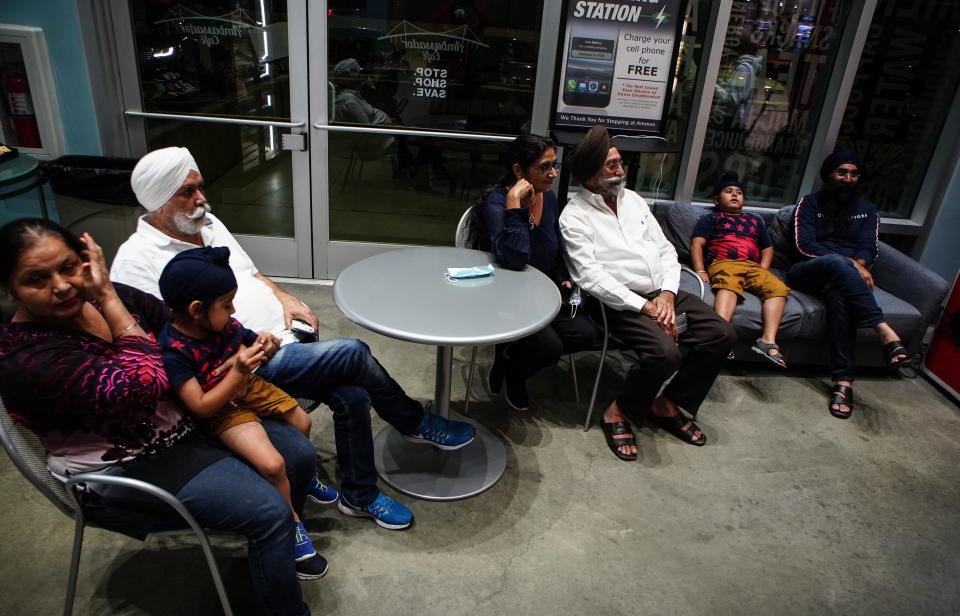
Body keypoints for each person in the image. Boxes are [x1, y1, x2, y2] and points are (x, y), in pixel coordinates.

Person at [111, 147, 475, 530]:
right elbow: (157, 349)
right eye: (187, 192)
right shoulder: (135, 261)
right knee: (353, 352)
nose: (201, 199)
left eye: (200, 187)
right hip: (241, 368)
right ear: (158, 201)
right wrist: (238, 358)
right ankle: (413, 421)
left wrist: (283, 297)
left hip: (281, 340)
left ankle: (359, 495)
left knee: (352, 394)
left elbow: (250, 273)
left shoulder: (205, 223)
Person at [0, 219, 324, 616]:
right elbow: (145, 384)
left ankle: (274, 550)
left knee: (299, 456)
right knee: (269, 510)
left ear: (86, 259)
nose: (63, 285)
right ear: (9, 289)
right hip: (120, 468)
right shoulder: (25, 358)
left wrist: (237, 348)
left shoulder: (109, 298)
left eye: (69, 267)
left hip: (184, 426)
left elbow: (183, 328)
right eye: (37, 278)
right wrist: (107, 295)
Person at [559, 126, 736, 460]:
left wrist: (668, 295)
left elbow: (667, 251)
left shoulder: (634, 201)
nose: (620, 171)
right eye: (611, 165)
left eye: (620, 163)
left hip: (662, 292)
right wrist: (646, 308)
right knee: (665, 353)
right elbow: (590, 277)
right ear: (590, 172)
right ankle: (618, 411)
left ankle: (667, 403)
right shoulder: (574, 216)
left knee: (721, 333)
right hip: (618, 303)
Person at [158, 246, 331, 564]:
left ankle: (303, 480)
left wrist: (268, 342)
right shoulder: (173, 351)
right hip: (223, 408)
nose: (234, 310)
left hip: (249, 386)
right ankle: (291, 522)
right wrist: (237, 371)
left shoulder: (224, 325)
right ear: (196, 309)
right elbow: (201, 407)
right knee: (272, 465)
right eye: (226, 304)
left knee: (303, 423)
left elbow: (253, 341)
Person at [473, 134, 601, 411]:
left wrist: (562, 276)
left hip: (546, 291)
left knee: (587, 334)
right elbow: (515, 259)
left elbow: (554, 246)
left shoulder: (549, 197)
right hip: (509, 295)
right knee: (549, 347)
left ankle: (511, 357)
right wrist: (514, 207)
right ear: (519, 170)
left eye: (554, 165)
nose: (553, 173)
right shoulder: (497, 205)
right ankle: (516, 373)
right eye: (544, 167)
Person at [786, 149, 912, 419]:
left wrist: (858, 263)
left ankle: (843, 382)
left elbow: (869, 248)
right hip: (807, 271)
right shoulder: (809, 204)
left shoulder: (866, 211)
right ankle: (883, 329)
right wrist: (851, 264)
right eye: (841, 172)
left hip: (842, 279)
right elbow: (804, 246)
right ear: (829, 175)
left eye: (853, 173)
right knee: (838, 264)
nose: (847, 178)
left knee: (841, 298)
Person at [690, 170, 790, 367]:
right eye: (728, 191)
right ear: (717, 200)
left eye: (739, 192)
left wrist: (762, 268)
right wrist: (701, 270)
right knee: (728, 284)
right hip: (724, 262)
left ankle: (767, 340)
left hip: (753, 266)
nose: (735, 194)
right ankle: (720, 336)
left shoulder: (755, 220)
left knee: (778, 288)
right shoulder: (712, 218)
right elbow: (697, 244)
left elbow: (767, 248)